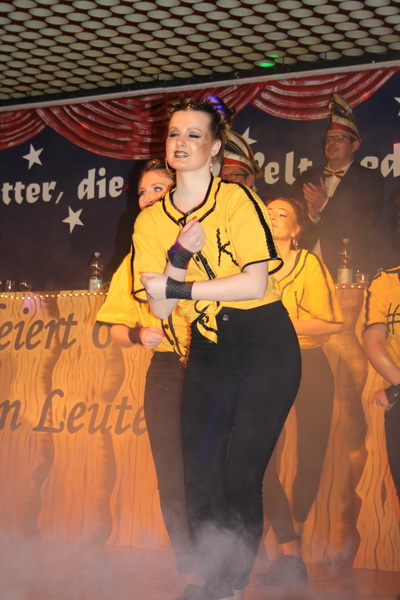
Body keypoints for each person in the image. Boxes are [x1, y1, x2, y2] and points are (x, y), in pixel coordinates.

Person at [132, 95, 301, 600]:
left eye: (193, 135)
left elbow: (253, 284)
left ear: (214, 148)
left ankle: (230, 586)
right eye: (174, 134)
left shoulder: (236, 200)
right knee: (200, 471)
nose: (180, 143)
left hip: (264, 342)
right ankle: (215, 583)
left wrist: (178, 287)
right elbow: (160, 309)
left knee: (241, 472)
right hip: (208, 347)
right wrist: (179, 256)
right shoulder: (150, 222)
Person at [96, 159, 195, 577]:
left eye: (158, 189)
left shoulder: (212, 242)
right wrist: (138, 334)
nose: (147, 197)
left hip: (217, 366)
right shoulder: (132, 262)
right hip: (168, 372)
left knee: (213, 466)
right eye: (141, 191)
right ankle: (190, 564)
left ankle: (225, 562)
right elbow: (115, 329)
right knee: (171, 471)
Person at [258, 197, 343, 586]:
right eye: (268, 212)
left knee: (311, 459)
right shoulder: (247, 265)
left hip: (309, 365)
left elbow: (331, 323)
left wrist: (282, 324)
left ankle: (292, 538)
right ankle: (288, 548)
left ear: (296, 230)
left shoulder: (308, 263)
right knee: (262, 461)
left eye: (283, 214)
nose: (274, 216)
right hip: (264, 367)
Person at [292, 93, 384, 281]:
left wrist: (325, 204)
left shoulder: (369, 178)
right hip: (306, 267)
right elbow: (293, 225)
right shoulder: (307, 177)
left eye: (340, 139)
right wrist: (312, 215)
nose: (332, 143)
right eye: (328, 139)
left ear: (355, 145)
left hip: (346, 268)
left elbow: (365, 224)